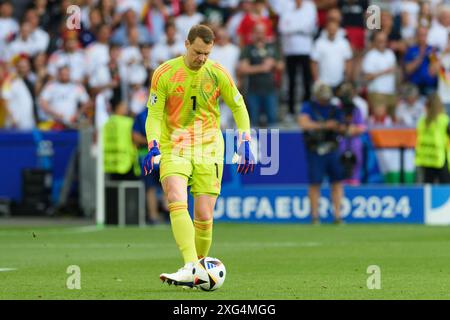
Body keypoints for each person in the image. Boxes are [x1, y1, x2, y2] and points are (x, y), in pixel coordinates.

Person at [142, 24, 255, 288]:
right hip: (174, 145)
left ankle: (199, 268)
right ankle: (190, 265)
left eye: (206, 53)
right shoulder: (165, 73)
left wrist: (245, 142)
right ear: (186, 44)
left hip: (209, 147)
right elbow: (155, 114)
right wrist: (153, 145)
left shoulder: (216, 73)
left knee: (204, 214)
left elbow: (238, 107)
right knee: (175, 196)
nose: (201, 58)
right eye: (197, 52)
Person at [298, 82, 344, 224]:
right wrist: (324, 125)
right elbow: (303, 124)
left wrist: (337, 126)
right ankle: (315, 216)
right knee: (315, 183)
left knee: (336, 182)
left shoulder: (335, 108)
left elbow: (342, 127)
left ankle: (337, 215)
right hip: (315, 149)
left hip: (332, 148)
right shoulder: (308, 106)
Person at [132, 108, 167, 225]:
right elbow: (135, 137)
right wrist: (155, 144)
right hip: (150, 156)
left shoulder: (143, 115)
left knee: (162, 185)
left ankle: (162, 215)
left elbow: (136, 136)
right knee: (156, 186)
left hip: (152, 154)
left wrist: (151, 143)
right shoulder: (143, 115)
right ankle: (156, 216)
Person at [415, 93, 450, 184]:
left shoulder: (422, 121)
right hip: (440, 159)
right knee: (445, 189)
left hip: (425, 160)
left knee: (427, 188)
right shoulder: (444, 120)